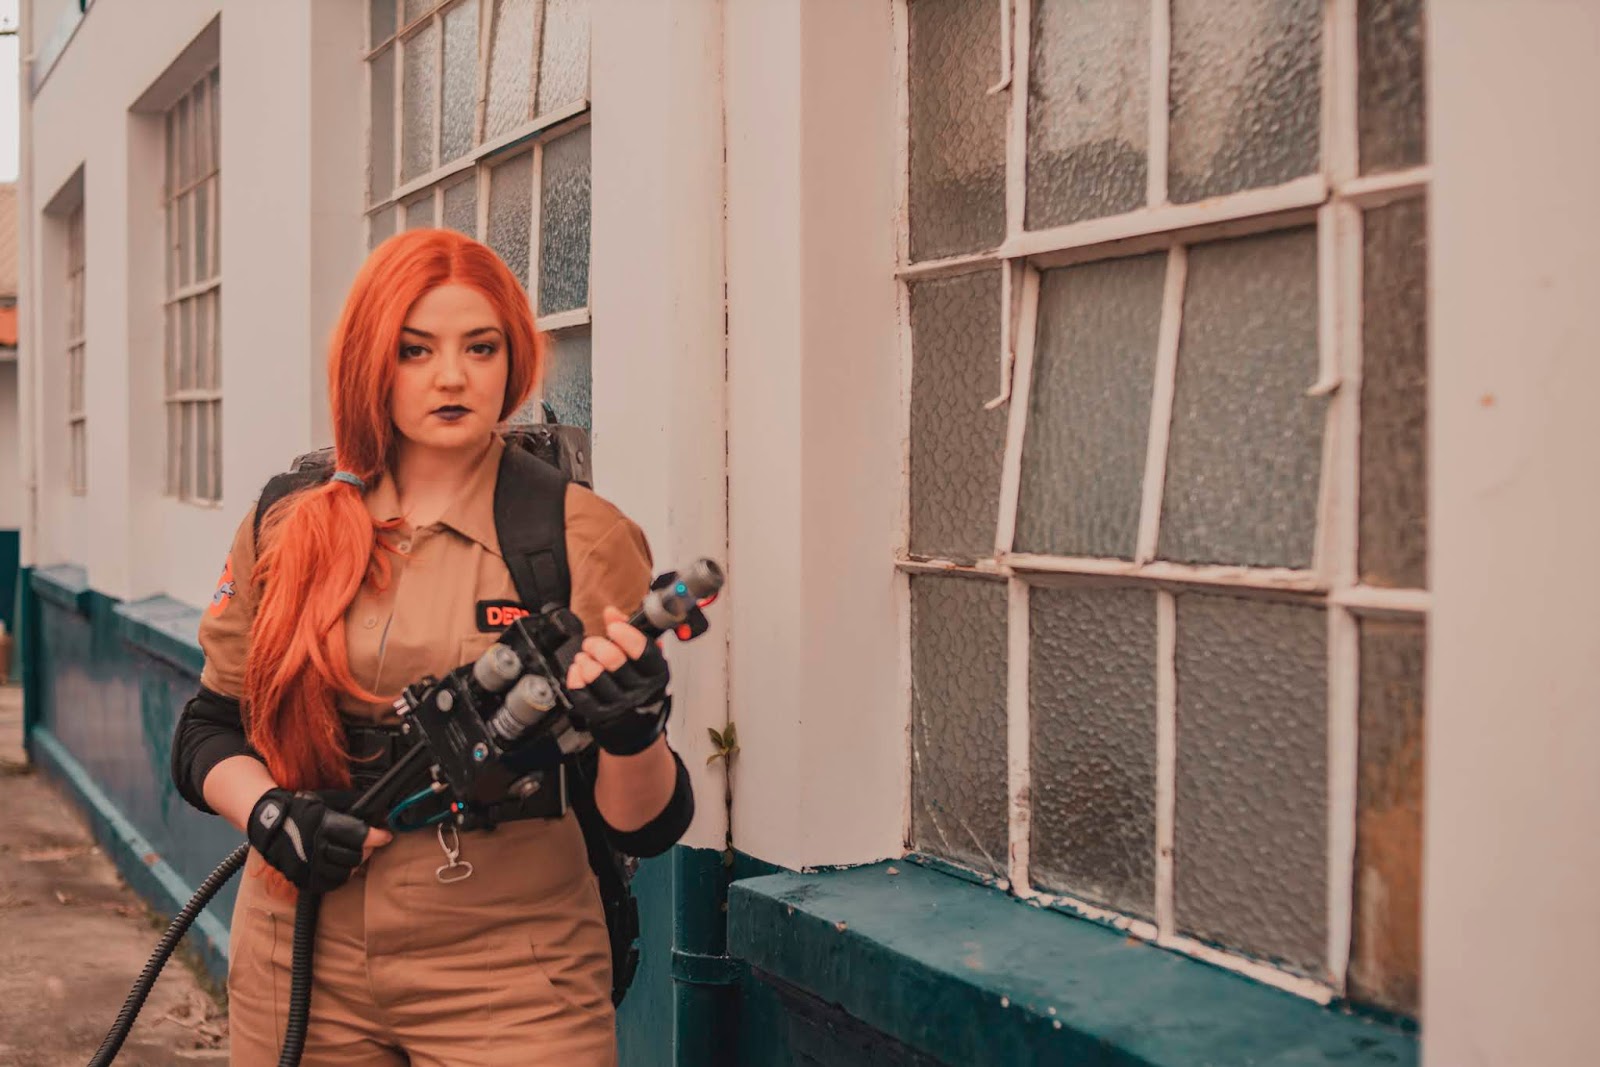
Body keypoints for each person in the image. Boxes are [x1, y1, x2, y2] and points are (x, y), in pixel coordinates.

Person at [170, 228, 694, 1066]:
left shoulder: (577, 536)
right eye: (415, 350)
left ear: (512, 358)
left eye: (480, 347)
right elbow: (207, 730)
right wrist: (270, 814)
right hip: (298, 951)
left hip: (514, 966)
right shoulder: (288, 522)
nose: (452, 376)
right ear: (371, 362)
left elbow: (646, 822)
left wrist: (635, 733)